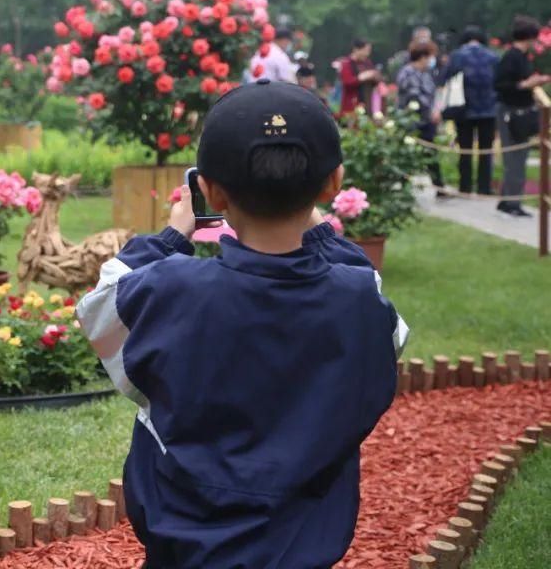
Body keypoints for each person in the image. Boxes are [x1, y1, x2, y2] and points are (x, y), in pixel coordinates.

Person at [77, 80, 407, 568]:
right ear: (333, 184)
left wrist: (171, 236)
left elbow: (101, 306)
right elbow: (378, 308)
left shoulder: (169, 291)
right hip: (304, 552)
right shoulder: (358, 302)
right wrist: (318, 234)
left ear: (209, 190)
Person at [494, 16, 551, 217]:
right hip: (510, 112)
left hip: (521, 111)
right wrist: (524, 85)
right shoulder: (511, 57)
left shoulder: (522, 57)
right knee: (514, 157)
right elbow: (501, 85)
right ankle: (512, 203)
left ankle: (507, 198)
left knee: (520, 155)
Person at [442, 26, 499, 195]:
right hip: (488, 110)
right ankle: (484, 187)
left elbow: (445, 79)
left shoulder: (457, 56)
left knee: (465, 150)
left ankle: (465, 186)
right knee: (485, 151)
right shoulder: (492, 57)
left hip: (463, 109)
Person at [396, 43, 444, 192]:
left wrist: (436, 109)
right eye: (430, 56)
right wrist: (429, 111)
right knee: (406, 155)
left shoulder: (426, 73)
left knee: (431, 154)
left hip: (427, 121)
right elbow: (414, 95)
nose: (432, 60)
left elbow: (432, 94)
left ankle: (439, 186)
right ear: (422, 57)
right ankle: (403, 187)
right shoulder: (407, 73)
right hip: (412, 121)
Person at [339, 39, 381, 115]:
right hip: (352, 105)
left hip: (367, 103)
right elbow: (347, 82)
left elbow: (376, 81)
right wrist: (361, 78)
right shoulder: (346, 64)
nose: (367, 54)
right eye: (365, 50)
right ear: (356, 50)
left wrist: (375, 76)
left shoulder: (367, 63)